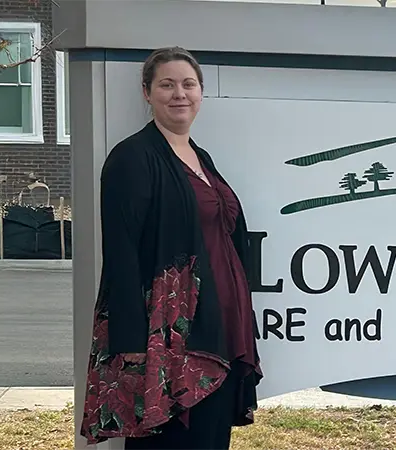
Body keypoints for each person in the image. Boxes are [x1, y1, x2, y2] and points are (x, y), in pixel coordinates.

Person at [79, 46, 263, 449]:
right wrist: (130, 342)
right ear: (147, 93)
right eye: (167, 85)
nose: (179, 94)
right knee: (172, 439)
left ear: (200, 93)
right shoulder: (132, 157)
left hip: (221, 328)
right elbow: (121, 252)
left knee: (211, 437)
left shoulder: (201, 157)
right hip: (169, 337)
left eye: (188, 84)